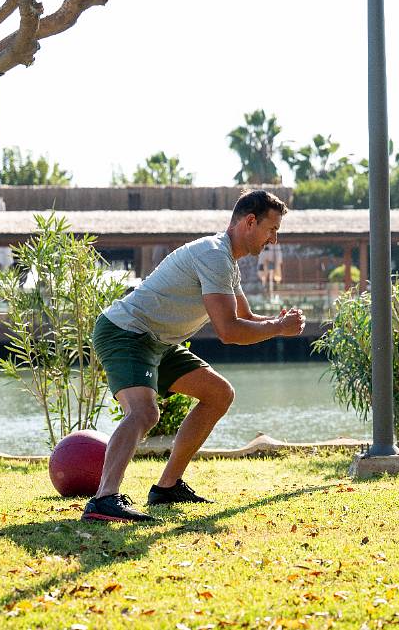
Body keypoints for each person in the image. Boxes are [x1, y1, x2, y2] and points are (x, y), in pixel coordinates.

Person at [82, 189, 306, 522]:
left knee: (219, 394)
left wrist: (280, 322)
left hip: (157, 341)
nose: (274, 239)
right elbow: (229, 331)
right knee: (144, 413)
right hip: (126, 332)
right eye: (272, 230)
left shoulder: (227, 263)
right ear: (250, 222)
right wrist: (278, 328)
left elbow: (246, 319)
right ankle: (103, 500)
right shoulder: (214, 255)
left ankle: (167, 487)